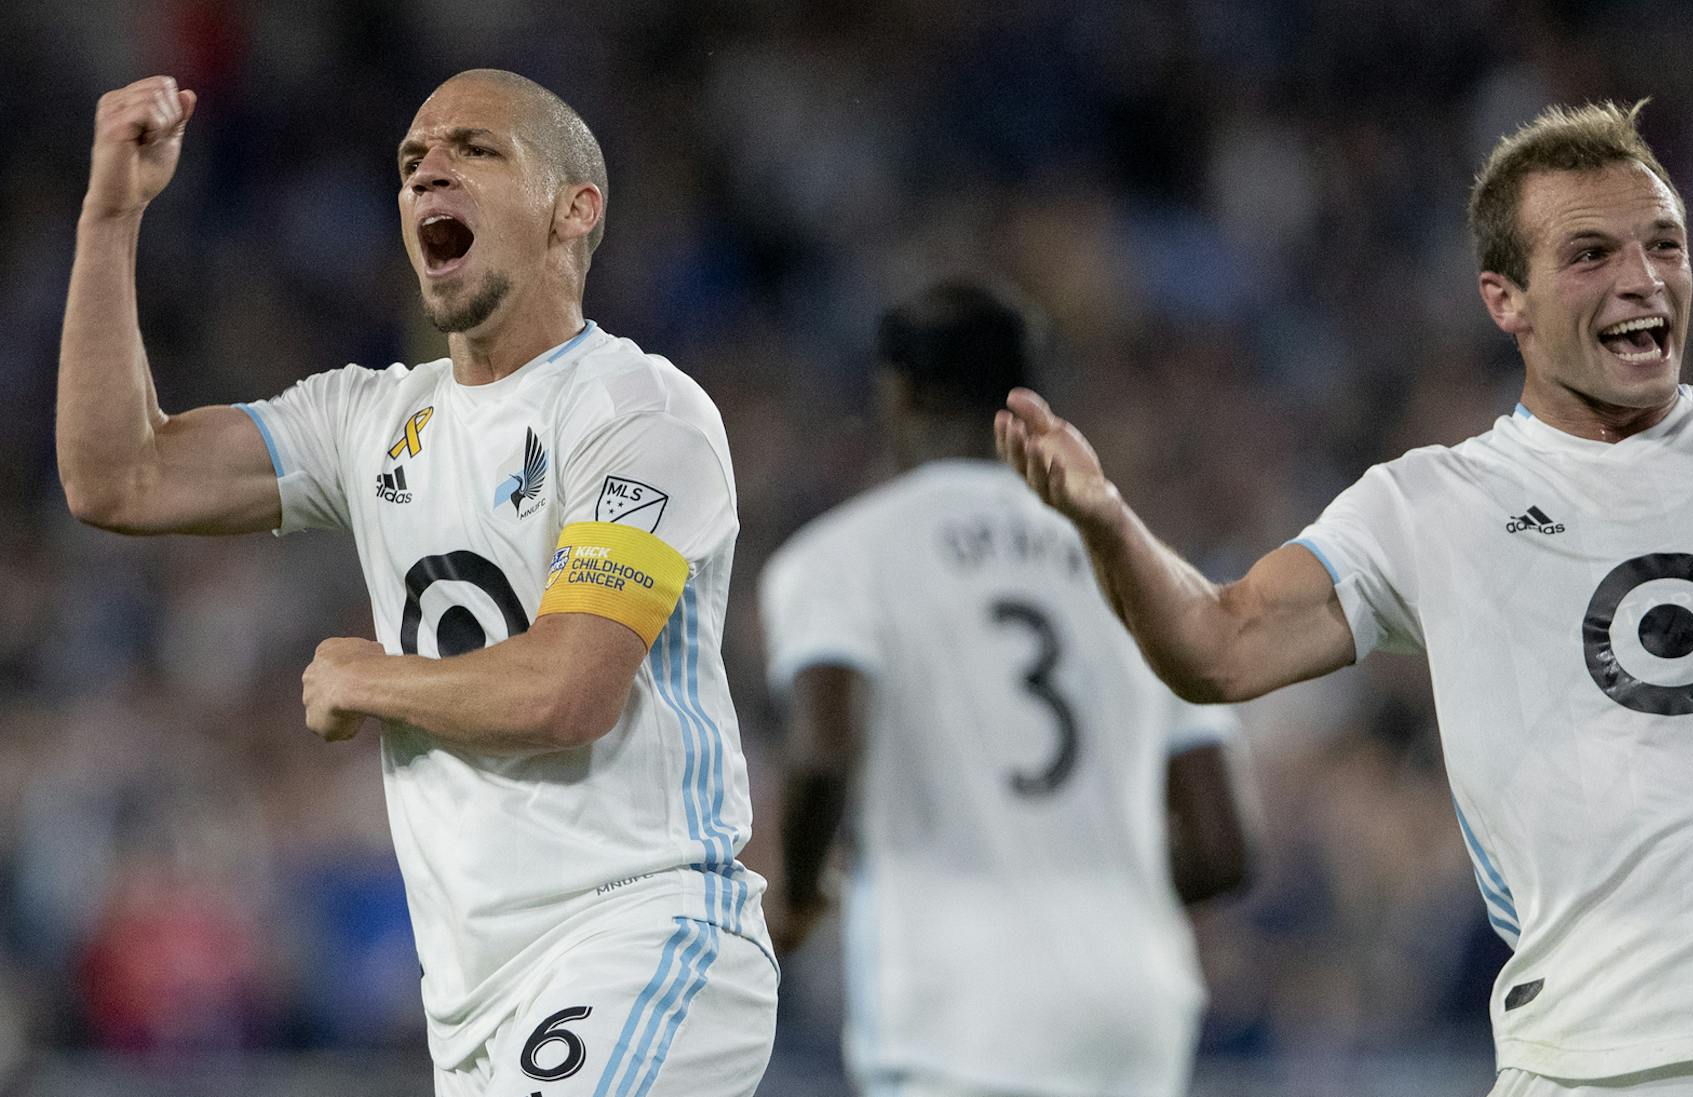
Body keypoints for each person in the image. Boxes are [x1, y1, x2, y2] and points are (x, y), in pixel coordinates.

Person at [994, 101, 1693, 1096]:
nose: (1643, 278)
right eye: (1590, 254)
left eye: (1663, 244)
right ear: (1507, 300)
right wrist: (1107, 522)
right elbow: (1219, 646)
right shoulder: (1432, 503)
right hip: (1591, 1052)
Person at [57, 72, 775, 1096]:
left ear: (576, 208)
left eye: (476, 149)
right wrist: (112, 213)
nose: (428, 167)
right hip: (474, 999)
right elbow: (116, 476)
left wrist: (369, 678)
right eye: (410, 161)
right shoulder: (368, 419)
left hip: (638, 933)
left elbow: (568, 690)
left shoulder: (639, 410)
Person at [759, 281, 1257, 1097]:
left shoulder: (840, 559)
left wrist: (801, 894)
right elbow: (1222, 847)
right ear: (1029, 402)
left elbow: (822, 749)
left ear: (898, 393)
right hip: (1131, 1008)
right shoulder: (1143, 568)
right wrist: (1093, 874)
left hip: (958, 1010)